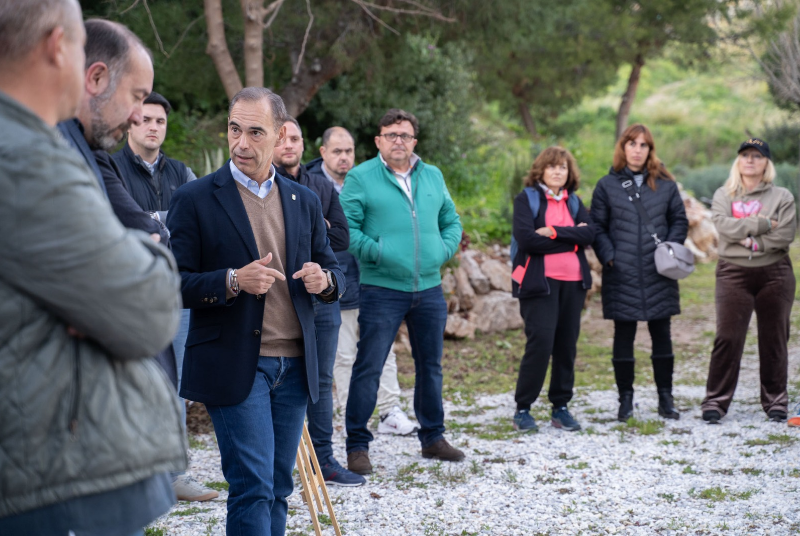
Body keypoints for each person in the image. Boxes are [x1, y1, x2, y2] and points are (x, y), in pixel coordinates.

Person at [0, 1, 185, 535]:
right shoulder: (29, 159)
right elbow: (144, 311)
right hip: (47, 479)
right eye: (138, 99)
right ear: (60, 47)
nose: (138, 115)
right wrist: (141, 258)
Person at [167, 87, 345, 536]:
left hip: (296, 366)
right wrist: (231, 280)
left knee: (279, 486)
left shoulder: (303, 200)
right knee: (252, 485)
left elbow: (334, 271)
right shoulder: (194, 198)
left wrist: (325, 282)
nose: (241, 143)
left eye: (254, 132)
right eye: (233, 129)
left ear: (280, 134)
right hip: (235, 364)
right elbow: (171, 283)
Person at [339, 108, 464, 475]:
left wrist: (441, 251)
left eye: (405, 135)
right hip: (381, 288)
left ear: (414, 141)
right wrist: (379, 253)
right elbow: (347, 228)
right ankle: (357, 445)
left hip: (429, 288)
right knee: (369, 366)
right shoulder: (361, 177)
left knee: (431, 366)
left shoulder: (432, 175)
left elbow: (451, 221)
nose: (399, 141)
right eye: (391, 135)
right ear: (378, 140)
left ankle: (433, 438)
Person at [112, 91, 217, 501]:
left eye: (160, 121)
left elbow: (196, 230)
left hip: (176, 297)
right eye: (146, 120)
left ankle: (175, 475)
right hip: (128, 298)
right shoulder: (111, 169)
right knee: (127, 382)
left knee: (175, 386)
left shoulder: (182, 173)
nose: (154, 127)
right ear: (131, 122)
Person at [308, 127, 419, 436]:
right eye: (337, 152)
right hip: (338, 282)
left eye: (349, 152)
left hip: (373, 280)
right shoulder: (311, 185)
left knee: (384, 350)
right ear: (323, 153)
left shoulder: (368, 180)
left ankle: (389, 410)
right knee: (343, 355)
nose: (344, 158)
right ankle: (351, 413)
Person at [272, 118, 364, 487]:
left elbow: (340, 238)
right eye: (282, 138)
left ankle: (323, 460)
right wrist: (315, 228)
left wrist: (309, 229)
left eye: (295, 138)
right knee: (275, 378)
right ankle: (274, 462)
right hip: (278, 295)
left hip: (322, 296)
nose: (289, 145)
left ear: (304, 144)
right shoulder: (261, 188)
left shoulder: (321, 186)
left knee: (322, 380)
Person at [590, 123, 688, 422]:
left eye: (643, 145)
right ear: (623, 147)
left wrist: (668, 251)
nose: (637, 150)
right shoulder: (606, 186)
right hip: (622, 272)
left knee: (662, 334)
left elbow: (679, 221)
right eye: (631, 143)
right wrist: (610, 258)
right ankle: (625, 400)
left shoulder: (667, 186)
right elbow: (597, 227)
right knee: (623, 335)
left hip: (659, 271)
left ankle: (665, 398)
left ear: (650, 150)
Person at [701, 138, 796, 424]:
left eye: (757, 155)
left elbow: (785, 236)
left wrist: (752, 242)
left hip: (775, 273)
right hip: (733, 273)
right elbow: (724, 227)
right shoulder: (723, 194)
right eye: (745, 155)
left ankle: (776, 401)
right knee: (728, 337)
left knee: (774, 338)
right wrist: (764, 223)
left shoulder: (782, 196)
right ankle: (715, 402)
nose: (750, 160)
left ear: (766, 162)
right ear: (738, 161)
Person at [510, 147, 595, 433]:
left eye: (563, 167)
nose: (558, 172)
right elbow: (527, 240)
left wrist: (555, 232)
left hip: (573, 283)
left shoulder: (574, 202)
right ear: (541, 170)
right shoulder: (528, 199)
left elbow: (590, 234)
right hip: (539, 283)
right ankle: (523, 408)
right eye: (552, 167)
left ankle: (560, 407)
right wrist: (573, 239)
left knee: (566, 345)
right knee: (541, 343)